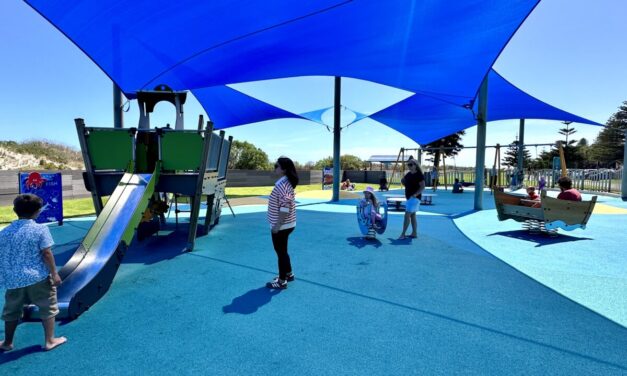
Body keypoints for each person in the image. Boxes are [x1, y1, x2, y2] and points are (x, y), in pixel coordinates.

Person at [0, 194, 67, 352]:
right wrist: (54, 273)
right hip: (37, 277)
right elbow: (46, 253)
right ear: (38, 211)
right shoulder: (40, 229)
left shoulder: (4, 232)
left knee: (12, 310)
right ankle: (50, 340)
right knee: (47, 307)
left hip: (13, 279)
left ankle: (7, 342)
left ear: (15, 210)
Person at [266, 157, 298, 289]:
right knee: (283, 251)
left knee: (280, 252)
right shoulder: (286, 183)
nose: (275, 168)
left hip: (282, 226)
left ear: (284, 169)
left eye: (276, 166)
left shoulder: (282, 185)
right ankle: (289, 274)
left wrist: (277, 225)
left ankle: (281, 280)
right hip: (287, 224)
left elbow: (285, 206)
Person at [399, 158, 426, 239]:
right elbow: (404, 181)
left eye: (411, 164)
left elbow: (422, 186)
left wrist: (415, 194)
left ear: (415, 165)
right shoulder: (408, 174)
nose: (409, 166)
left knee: (407, 215)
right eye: (408, 165)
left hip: (414, 198)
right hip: (409, 197)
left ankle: (403, 234)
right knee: (413, 215)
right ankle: (414, 233)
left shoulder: (419, 174)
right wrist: (404, 182)